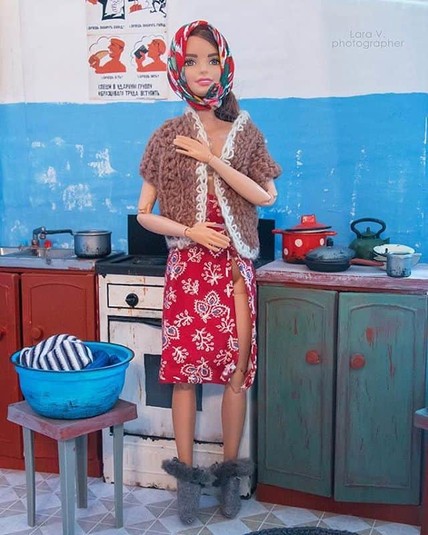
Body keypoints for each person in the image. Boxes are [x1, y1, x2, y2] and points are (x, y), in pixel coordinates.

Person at [137, 20, 281, 524]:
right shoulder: (166, 136)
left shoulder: (246, 132)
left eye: (213, 60)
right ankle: (186, 483)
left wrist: (212, 159)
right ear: (177, 68)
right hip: (189, 265)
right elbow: (144, 213)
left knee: (237, 370)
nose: (203, 70)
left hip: (235, 266)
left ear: (225, 66)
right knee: (185, 375)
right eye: (193, 60)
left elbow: (266, 196)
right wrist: (190, 231)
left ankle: (229, 477)